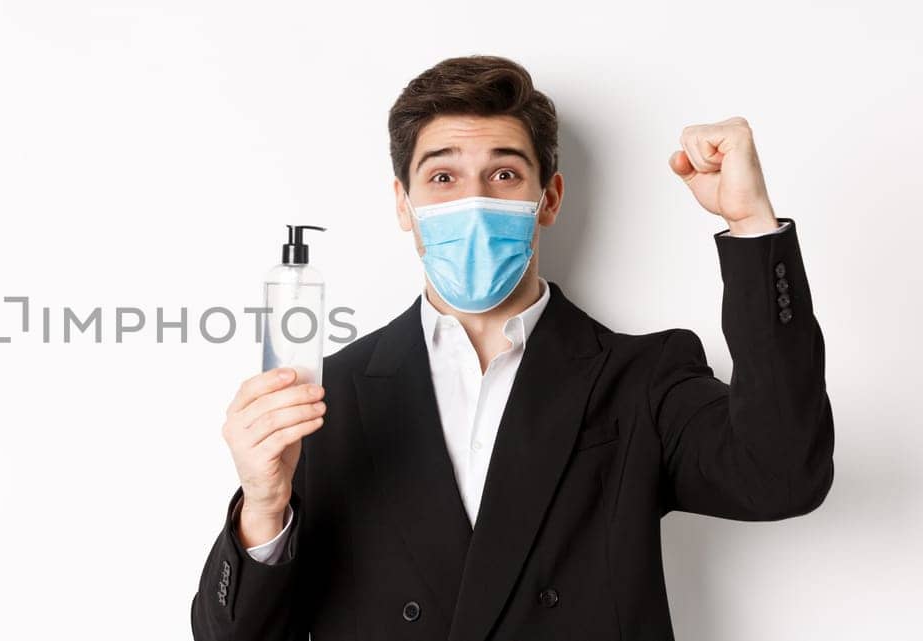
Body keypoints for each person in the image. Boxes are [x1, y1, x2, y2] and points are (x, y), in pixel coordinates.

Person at [190, 55, 834, 641]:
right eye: (442, 176)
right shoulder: (324, 397)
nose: (473, 201)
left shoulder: (640, 378)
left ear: (547, 199)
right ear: (404, 205)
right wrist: (265, 506)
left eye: (503, 173)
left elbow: (781, 478)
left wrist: (751, 225)